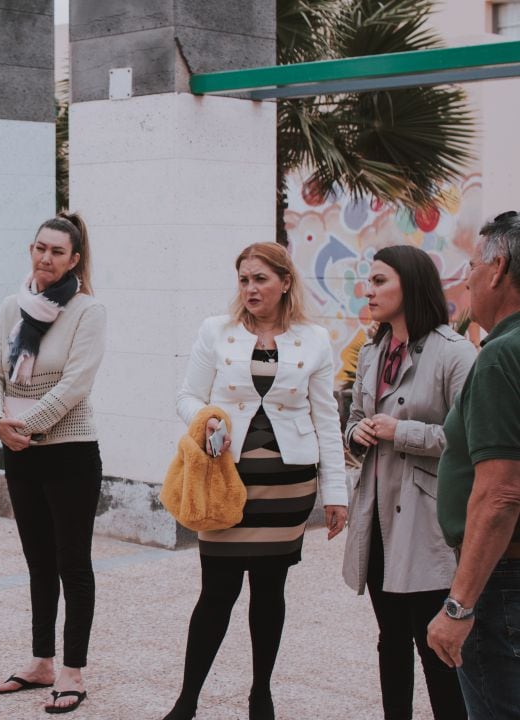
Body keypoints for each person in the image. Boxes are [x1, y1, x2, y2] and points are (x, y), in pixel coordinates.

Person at [164, 242, 348, 720]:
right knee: (216, 593)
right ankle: (187, 701)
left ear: (285, 282)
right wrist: (205, 418)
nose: (250, 288)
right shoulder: (215, 331)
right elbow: (186, 395)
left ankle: (260, 693)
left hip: (288, 488)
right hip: (225, 484)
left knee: (270, 591)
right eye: (244, 279)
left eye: (261, 279)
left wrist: (336, 494)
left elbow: (326, 420)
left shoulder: (314, 339)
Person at [0, 212, 106, 714]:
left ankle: (73, 669)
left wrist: (24, 424)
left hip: (70, 451)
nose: (46, 258)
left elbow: (75, 384)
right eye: (39, 248)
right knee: (37, 561)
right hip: (19, 452)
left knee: (72, 562)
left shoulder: (87, 311)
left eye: (57, 251)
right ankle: (41, 662)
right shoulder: (13, 306)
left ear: (74, 259)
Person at [342, 245, 474, 720]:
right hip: (377, 519)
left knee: (434, 647)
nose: (369, 290)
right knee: (389, 639)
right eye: (368, 281)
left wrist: (403, 432)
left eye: (379, 281)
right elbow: (356, 417)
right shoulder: (373, 349)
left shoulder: (456, 354)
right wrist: (356, 431)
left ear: (410, 284)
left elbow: (472, 440)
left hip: (427, 523)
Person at [428, 211, 520, 719]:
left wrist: (459, 606)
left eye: (471, 266)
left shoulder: (502, 355)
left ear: (498, 267)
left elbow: (502, 493)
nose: (466, 279)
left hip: (503, 580)